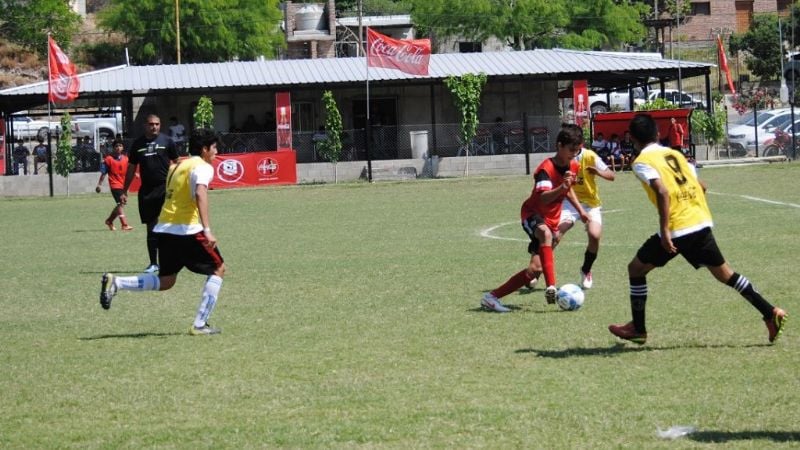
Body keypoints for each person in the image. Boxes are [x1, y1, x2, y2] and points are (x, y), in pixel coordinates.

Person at [608, 114, 788, 345]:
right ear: (657, 134)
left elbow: (662, 192)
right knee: (725, 274)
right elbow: (702, 186)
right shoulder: (676, 154)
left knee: (636, 269)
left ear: (631, 137)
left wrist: (665, 230)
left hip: (678, 229)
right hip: (700, 221)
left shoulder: (642, 161)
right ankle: (770, 312)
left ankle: (638, 329)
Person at [100, 128, 225, 336]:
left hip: (165, 228)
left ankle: (117, 282)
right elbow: (200, 192)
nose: (216, 152)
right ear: (204, 149)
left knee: (166, 281)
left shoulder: (176, 166)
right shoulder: (203, 166)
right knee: (219, 268)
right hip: (188, 230)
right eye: (214, 148)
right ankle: (200, 324)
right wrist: (207, 229)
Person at [481, 125, 589, 312]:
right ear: (559, 145)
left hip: (551, 218)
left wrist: (581, 210)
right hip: (532, 213)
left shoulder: (573, 165)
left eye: (577, 150)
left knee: (534, 270)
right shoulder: (545, 169)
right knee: (546, 235)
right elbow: (544, 197)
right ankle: (551, 286)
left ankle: (492, 297)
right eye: (571, 149)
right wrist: (562, 187)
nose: (574, 154)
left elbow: (568, 189)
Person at [557, 124, 615, 289]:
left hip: (591, 204)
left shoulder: (590, 156)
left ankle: (586, 270)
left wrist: (598, 172)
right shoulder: (564, 158)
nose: (574, 148)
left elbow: (612, 175)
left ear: (581, 143)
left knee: (594, 235)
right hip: (569, 201)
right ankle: (538, 270)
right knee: (557, 234)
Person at [120, 114, 179, 274]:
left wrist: (178, 184)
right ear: (145, 125)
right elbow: (131, 168)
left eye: (157, 124)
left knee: (167, 227)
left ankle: (170, 261)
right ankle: (154, 263)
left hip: (165, 190)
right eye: (151, 124)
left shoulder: (167, 141)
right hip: (146, 191)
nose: (154, 127)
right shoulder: (137, 144)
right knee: (151, 228)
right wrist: (125, 190)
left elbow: (177, 163)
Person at [96, 139, 133, 231]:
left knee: (121, 204)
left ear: (123, 147)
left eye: (120, 145)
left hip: (123, 186)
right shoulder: (109, 159)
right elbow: (103, 173)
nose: (118, 147)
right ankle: (124, 225)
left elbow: (129, 170)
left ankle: (109, 221)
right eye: (116, 146)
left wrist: (135, 174)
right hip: (114, 185)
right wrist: (99, 185)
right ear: (113, 148)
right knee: (120, 203)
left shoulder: (126, 159)